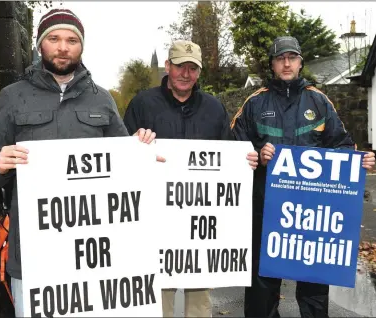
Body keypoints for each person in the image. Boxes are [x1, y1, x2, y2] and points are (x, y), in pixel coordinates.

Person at [0, 8, 160, 317]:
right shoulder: (12, 96)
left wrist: (140, 149)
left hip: (93, 254)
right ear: (40, 44)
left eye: (72, 40)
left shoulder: (101, 99)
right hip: (34, 253)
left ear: (81, 46)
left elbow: (124, 164)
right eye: (55, 38)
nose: (63, 47)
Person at [231, 36, 375, 318]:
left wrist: (360, 162)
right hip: (265, 210)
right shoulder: (254, 103)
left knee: (314, 291)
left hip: (311, 216)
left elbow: (342, 145)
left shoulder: (319, 101)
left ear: (300, 62)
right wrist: (259, 154)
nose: (286, 63)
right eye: (280, 58)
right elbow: (233, 147)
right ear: (272, 64)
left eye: (292, 58)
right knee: (262, 289)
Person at [123, 40, 259, 317]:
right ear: (167, 66)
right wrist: (133, 146)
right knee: (158, 298)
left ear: (199, 72)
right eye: (180, 66)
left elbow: (228, 155)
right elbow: (121, 157)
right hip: (155, 218)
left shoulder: (213, 107)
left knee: (199, 302)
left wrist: (245, 160)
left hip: (200, 224)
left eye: (192, 68)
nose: (185, 74)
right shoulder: (142, 104)